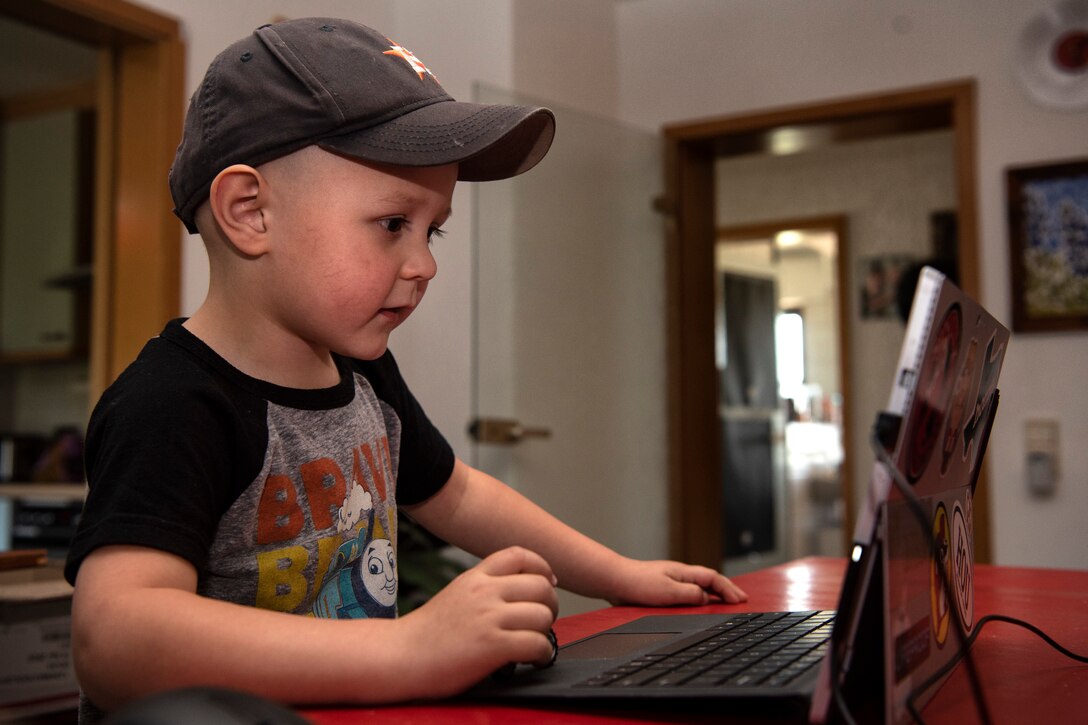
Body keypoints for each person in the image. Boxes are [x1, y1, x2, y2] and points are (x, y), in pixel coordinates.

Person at [63, 17, 747, 720]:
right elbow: (113, 641)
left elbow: (456, 494)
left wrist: (619, 576)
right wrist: (411, 648)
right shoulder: (172, 403)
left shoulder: (362, 375)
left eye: (433, 229)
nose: (424, 265)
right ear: (250, 211)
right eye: (393, 223)